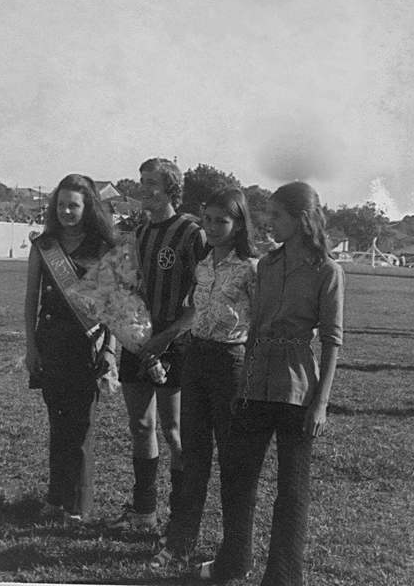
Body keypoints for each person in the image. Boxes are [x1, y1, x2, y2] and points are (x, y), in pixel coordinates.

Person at [199, 181, 345, 585]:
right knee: (237, 476)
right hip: (255, 383)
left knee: (291, 490)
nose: (267, 223)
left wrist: (321, 403)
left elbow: (332, 341)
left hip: (298, 390)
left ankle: (282, 576)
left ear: (300, 220)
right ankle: (234, 561)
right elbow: (256, 329)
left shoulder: (328, 271)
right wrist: (243, 384)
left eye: (276, 216)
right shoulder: (265, 265)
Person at [149, 187, 258, 568]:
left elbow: (257, 326)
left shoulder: (250, 269)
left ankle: (232, 551)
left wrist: (248, 375)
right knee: (193, 458)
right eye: (207, 219)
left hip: (230, 364)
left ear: (239, 223)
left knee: (232, 463)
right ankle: (180, 542)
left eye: (221, 221)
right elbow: (194, 311)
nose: (212, 227)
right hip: (195, 358)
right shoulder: (204, 263)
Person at [109, 158, 207, 531]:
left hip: (174, 343)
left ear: (170, 188)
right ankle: (145, 512)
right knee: (141, 425)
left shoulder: (190, 233)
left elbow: (203, 299)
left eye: (151, 181)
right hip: (138, 339)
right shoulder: (139, 232)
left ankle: (179, 519)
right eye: (141, 180)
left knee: (173, 431)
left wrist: (166, 336)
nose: (143, 187)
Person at [24, 174, 116, 524]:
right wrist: (31, 346)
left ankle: (78, 507)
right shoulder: (44, 245)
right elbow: (32, 297)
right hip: (51, 344)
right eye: (60, 204)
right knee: (58, 426)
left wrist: (109, 351)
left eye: (73, 205)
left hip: (86, 346)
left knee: (82, 428)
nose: (66, 211)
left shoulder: (102, 247)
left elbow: (113, 306)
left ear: (87, 207)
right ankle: (54, 498)